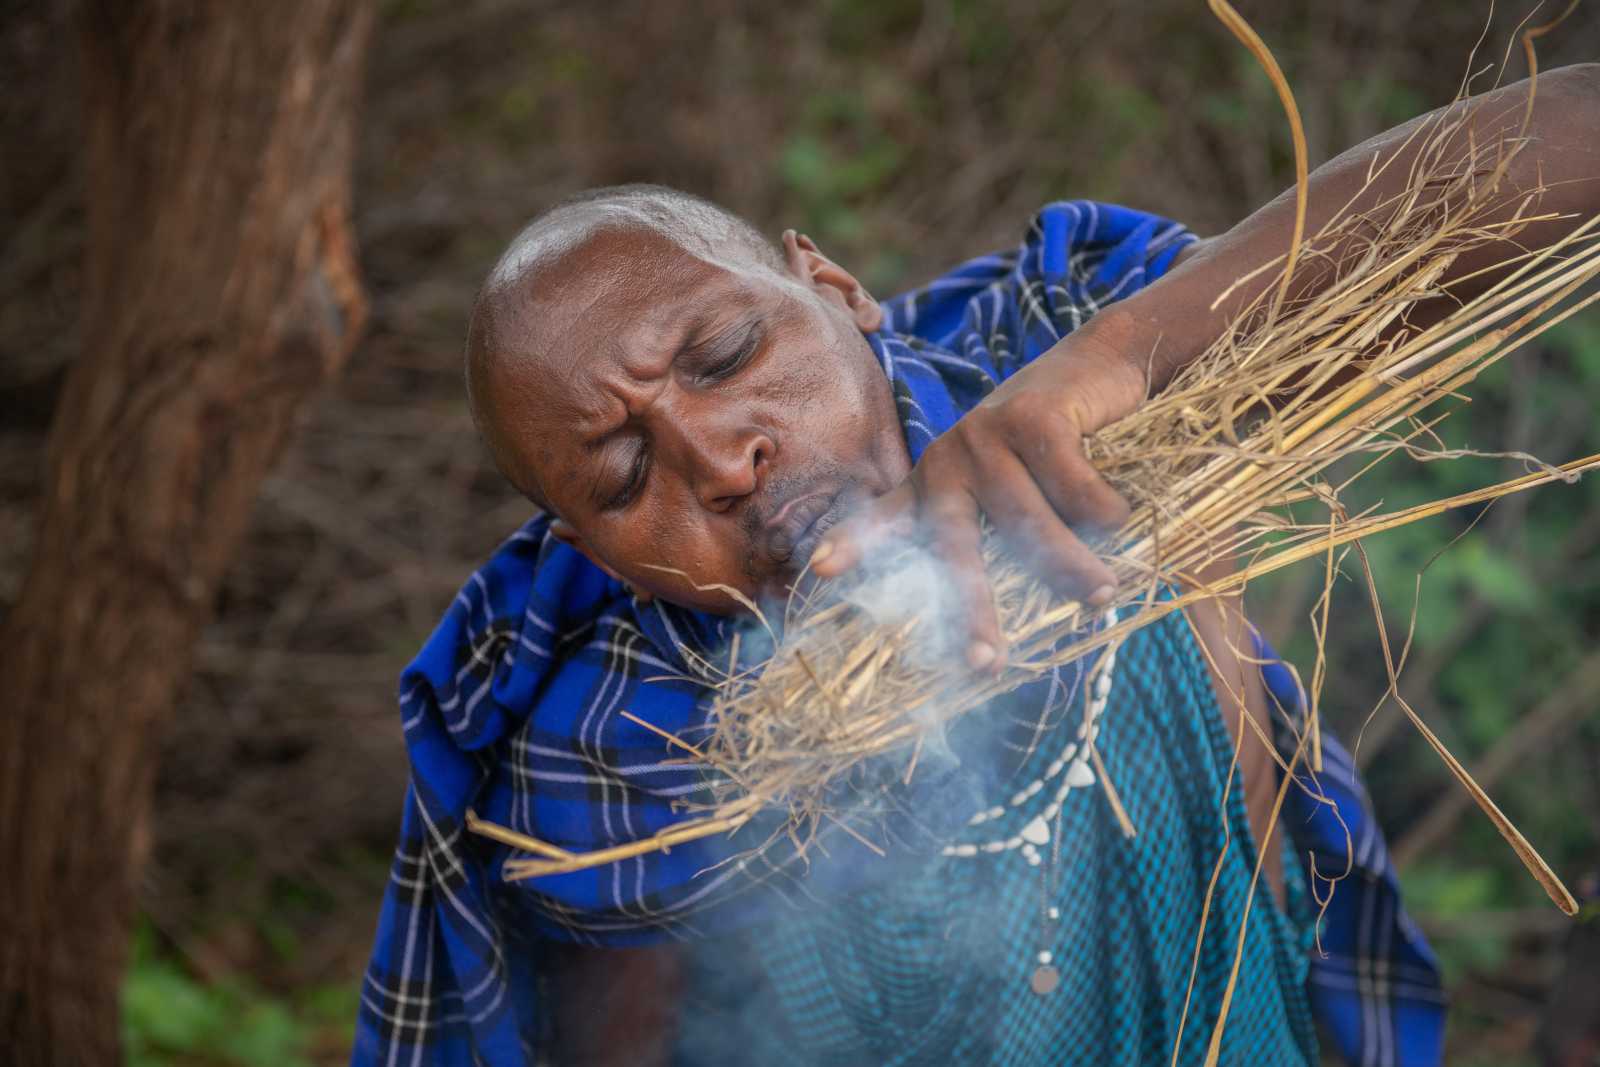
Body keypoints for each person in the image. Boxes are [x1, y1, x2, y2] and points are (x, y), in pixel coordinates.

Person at [354, 66, 1599, 1066]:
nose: (717, 460)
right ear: (591, 552)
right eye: (625, 479)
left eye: (727, 353)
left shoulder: (1072, 347)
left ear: (835, 289)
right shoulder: (601, 753)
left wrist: (1119, 357)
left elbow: (1573, 128)